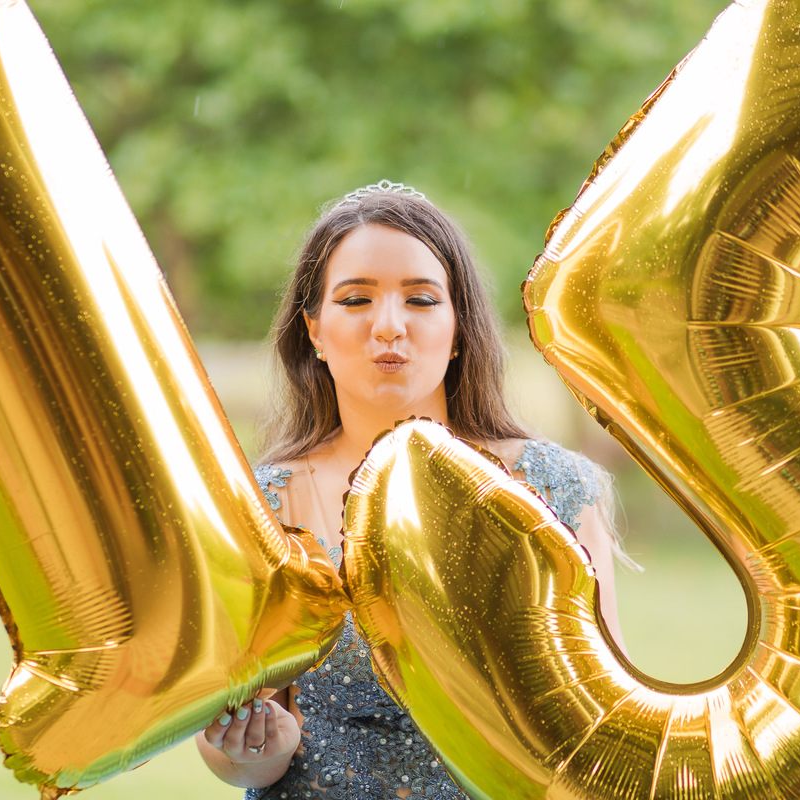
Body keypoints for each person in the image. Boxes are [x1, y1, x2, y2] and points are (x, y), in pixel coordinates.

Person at [196, 180, 629, 799]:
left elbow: (601, 730)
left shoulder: (554, 487)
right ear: (313, 330)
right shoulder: (259, 506)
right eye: (355, 300)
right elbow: (250, 752)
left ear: (458, 330)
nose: (389, 326)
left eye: (421, 299)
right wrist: (254, 748)